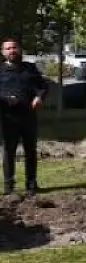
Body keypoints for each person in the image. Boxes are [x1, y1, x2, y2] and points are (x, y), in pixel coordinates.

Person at [0, 39, 48, 196]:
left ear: (19, 49)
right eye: (8, 48)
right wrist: (6, 99)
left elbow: (43, 86)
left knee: (31, 150)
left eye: (14, 47)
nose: (11, 50)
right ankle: (9, 187)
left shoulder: (29, 68)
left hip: (29, 116)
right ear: (3, 52)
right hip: (8, 117)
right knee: (9, 151)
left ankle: (32, 185)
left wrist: (39, 97)